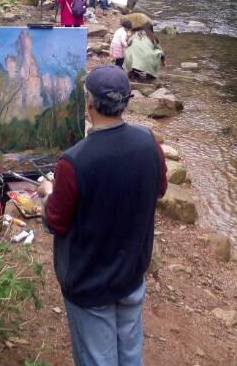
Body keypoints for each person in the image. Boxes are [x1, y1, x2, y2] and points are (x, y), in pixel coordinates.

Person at [37, 65, 167, 366]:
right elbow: (158, 189)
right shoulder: (149, 142)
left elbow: (55, 222)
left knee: (98, 360)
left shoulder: (74, 161)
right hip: (132, 271)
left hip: (89, 280)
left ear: (89, 102)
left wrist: (48, 192)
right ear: (127, 101)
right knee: (130, 354)